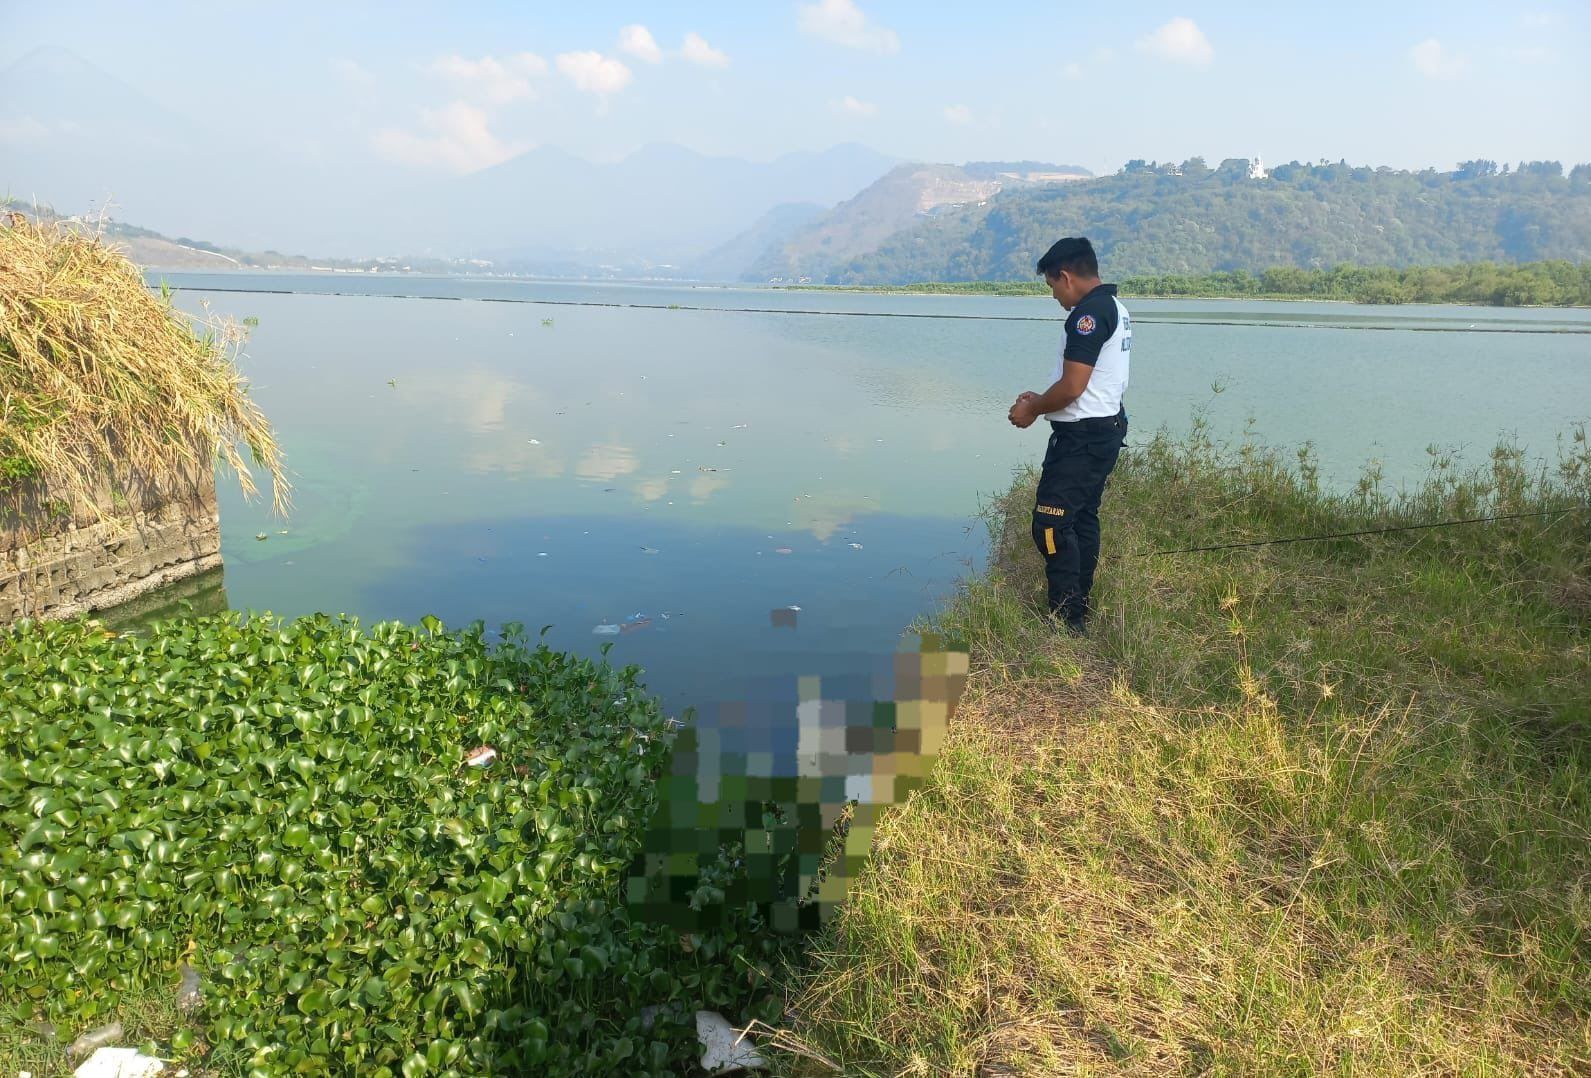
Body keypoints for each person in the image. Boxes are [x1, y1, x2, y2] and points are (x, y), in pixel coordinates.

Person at [1007, 236, 1130, 635]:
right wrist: (1042, 398)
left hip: (1083, 439)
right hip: (1101, 428)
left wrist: (1032, 408)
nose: (1055, 296)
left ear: (1066, 277)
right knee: (1080, 519)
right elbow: (1089, 386)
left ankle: (1067, 617)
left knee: (1051, 524)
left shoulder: (1086, 316)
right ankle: (1079, 604)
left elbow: (1075, 386)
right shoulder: (1116, 307)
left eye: (1052, 287)